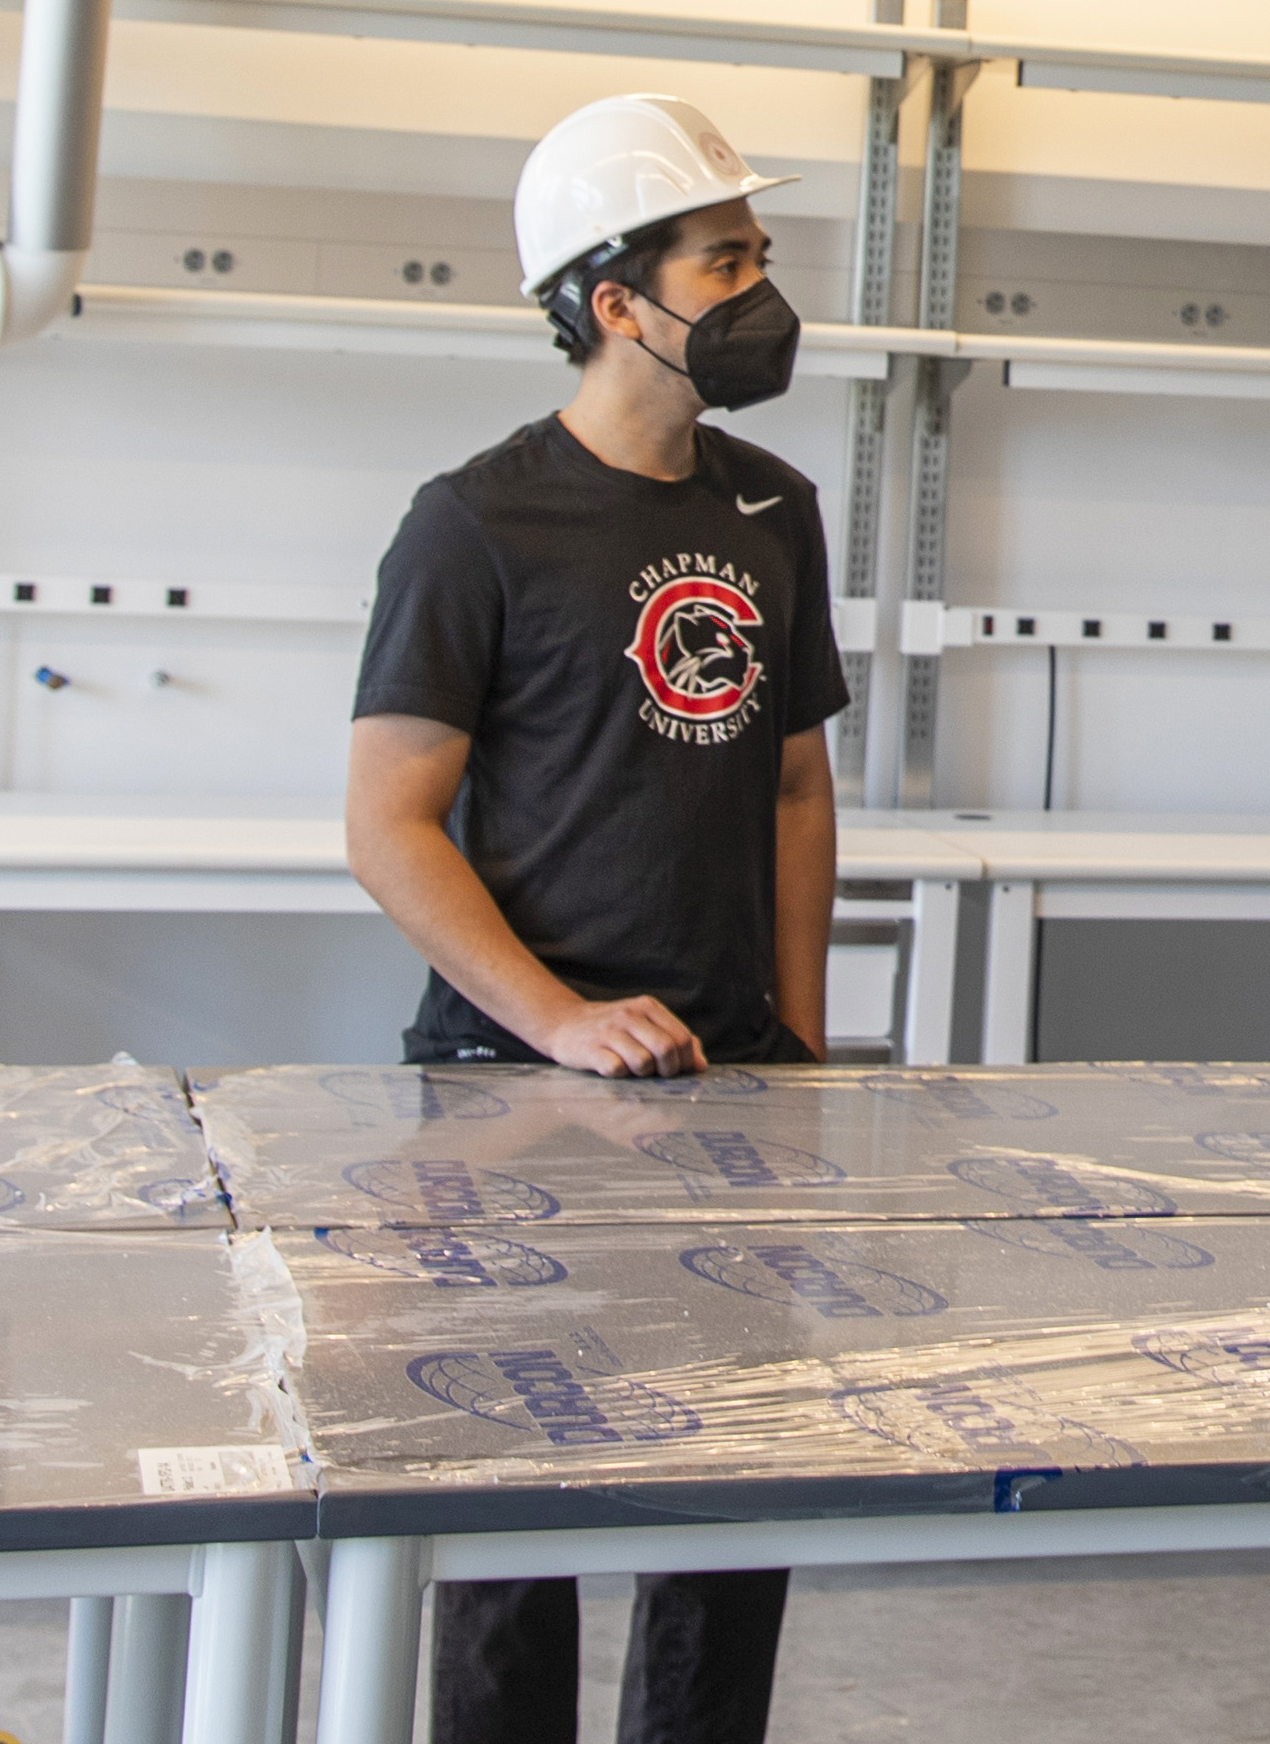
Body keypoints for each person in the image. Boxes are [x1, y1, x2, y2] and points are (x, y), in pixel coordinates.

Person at [343, 91, 847, 1744]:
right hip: (515, 1102)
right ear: (614, 298)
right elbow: (388, 822)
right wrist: (554, 1019)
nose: (760, 288)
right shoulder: (474, 519)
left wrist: (802, 1042)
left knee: (725, 1514)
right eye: (725, 257)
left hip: (731, 1089)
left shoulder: (774, 508)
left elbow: (790, 790)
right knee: (518, 1527)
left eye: (761, 252)